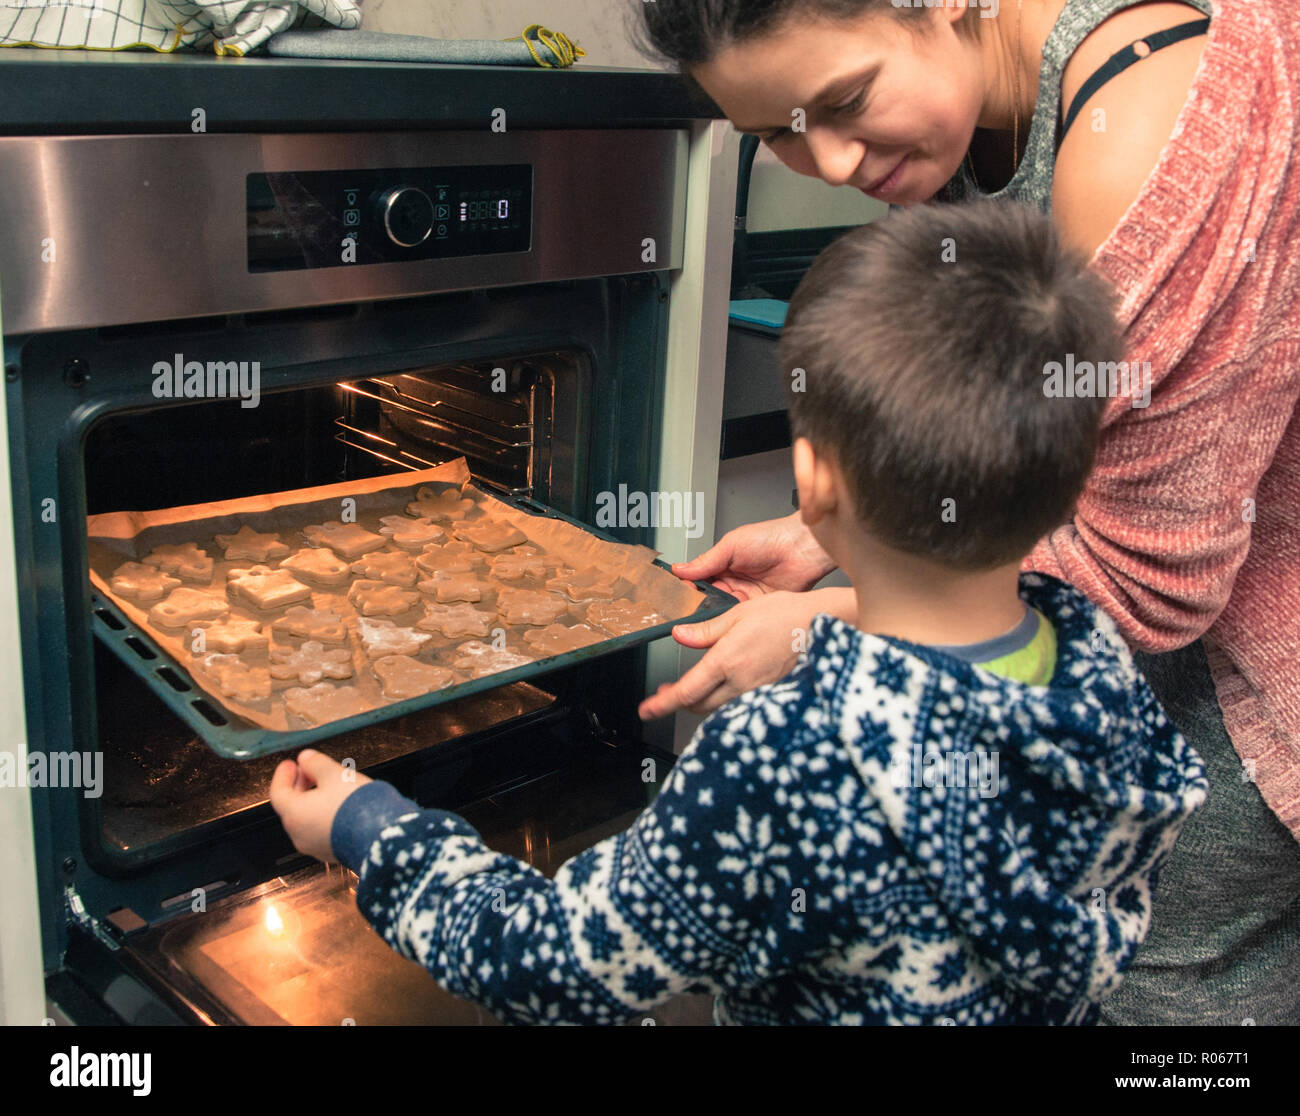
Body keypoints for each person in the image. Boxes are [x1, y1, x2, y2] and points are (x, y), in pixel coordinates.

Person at [270, 201, 1207, 1026]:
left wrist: (373, 830)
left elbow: (552, 964)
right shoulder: (1105, 684)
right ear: (1074, 478)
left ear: (812, 482)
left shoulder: (786, 753)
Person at [637, 0, 1300, 1023]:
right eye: (775, 133)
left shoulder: (1148, 125)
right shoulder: (951, 128)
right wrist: (844, 528)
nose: (835, 163)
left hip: (1234, 677)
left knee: (1167, 1018)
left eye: (844, 102)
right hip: (1080, 662)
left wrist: (831, 617)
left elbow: (1148, 582)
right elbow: (1021, 448)